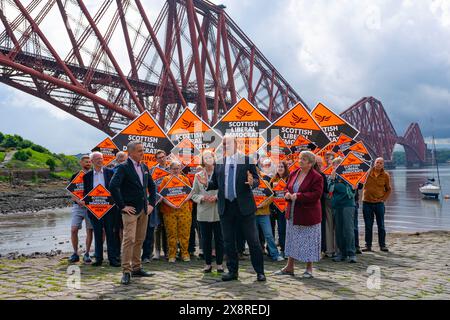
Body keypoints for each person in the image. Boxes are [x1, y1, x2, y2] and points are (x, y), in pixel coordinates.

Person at [197, 135, 266, 282]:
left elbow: (256, 180)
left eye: (227, 143)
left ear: (235, 144)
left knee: (253, 241)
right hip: (226, 207)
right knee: (228, 241)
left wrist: (252, 181)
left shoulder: (247, 159)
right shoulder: (220, 162)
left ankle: (260, 272)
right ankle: (232, 272)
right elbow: (216, 183)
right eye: (222, 143)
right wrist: (206, 183)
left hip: (244, 208)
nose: (224, 145)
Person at [110, 141, 157, 285]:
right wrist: (122, 206)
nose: (142, 153)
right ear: (130, 153)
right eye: (139, 151)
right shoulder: (122, 167)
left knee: (139, 239)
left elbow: (152, 187)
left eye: (142, 150)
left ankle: (137, 268)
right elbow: (113, 186)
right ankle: (126, 271)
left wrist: (151, 204)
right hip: (130, 211)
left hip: (143, 209)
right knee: (129, 240)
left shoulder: (144, 166)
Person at [274, 151, 323, 278]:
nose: (300, 161)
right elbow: (287, 187)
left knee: (309, 240)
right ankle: (289, 267)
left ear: (311, 163)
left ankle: (309, 269)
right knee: (291, 239)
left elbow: (316, 194)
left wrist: (298, 196)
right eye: (300, 158)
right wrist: (286, 194)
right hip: (293, 212)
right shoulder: (294, 173)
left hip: (308, 213)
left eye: (304, 159)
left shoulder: (317, 177)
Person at [82, 152, 121, 267]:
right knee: (98, 234)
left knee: (110, 233)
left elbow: (115, 189)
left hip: (109, 209)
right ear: (92, 161)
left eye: (101, 158)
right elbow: (86, 193)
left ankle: (112, 259)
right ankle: (98, 259)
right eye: (97, 159)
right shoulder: (87, 176)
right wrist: (86, 202)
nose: (100, 160)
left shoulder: (110, 172)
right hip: (94, 209)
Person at [191, 150, 224, 273]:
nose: (208, 159)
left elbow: (225, 190)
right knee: (205, 239)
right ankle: (207, 263)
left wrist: (217, 197)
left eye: (210, 157)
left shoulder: (220, 173)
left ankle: (220, 264)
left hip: (218, 211)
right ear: (202, 161)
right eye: (205, 157)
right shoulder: (198, 175)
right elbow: (194, 194)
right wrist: (202, 198)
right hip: (203, 212)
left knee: (220, 239)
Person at [159, 160, 193, 263]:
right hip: (169, 210)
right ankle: (172, 255)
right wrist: (172, 204)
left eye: (178, 168)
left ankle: (185, 254)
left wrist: (183, 201)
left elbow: (191, 192)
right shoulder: (166, 180)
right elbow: (162, 195)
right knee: (171, 233)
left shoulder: (184, 179)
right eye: (174, 168)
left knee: (185, 233)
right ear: (170, 169)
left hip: (184, 209)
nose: (176, 170)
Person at [362, 157, 392, 252]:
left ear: (383, 165)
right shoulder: (366, 173)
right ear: (374, 163)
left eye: (380, 163)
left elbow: (388, 189)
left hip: (379, 204)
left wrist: (383, 199)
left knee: (381, 225)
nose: (378, 164)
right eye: (377, 162)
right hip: (366, 203)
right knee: (368, 225)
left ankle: (382, 245)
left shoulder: (386, 175)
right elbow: (358, 183)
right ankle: (368, 246)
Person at [329, 163, 357, 263]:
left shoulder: (349, 177)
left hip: (348, 205)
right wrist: (332, 179)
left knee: (348, 229)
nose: (336, 167)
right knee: (339, 230)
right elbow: (329, 190)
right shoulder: (332, 178)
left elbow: (352, 193)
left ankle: (351, 253)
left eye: (338, 165)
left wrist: (353, 188)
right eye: (335, 165)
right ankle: (341, 253)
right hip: (337, 205)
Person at [68, 155, 94, 263]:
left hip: (90, 207)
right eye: (86, 162)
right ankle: (75, 253)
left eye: (89, 162)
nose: (88, 163)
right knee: (74, 229)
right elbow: (71, 191)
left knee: (90, 230)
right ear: (81, 163)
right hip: (77, 206)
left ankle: (87, 253)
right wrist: (78, 201)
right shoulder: (75, 175)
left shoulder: (94, 175)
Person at [151, 149, 169, 260]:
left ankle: (167, 251)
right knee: (157, 226)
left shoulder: (172, 167)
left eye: (163, 156)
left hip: (169, 200)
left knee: (167, 226)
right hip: (157, 201)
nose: (162, 159)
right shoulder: (153, 169)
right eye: (159, 157)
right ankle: (157, 251)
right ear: (156, 159)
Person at [269, 161, 289, 258]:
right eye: (278, 167)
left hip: (285, 208)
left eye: (282, 167)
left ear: (285, 168)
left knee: (283, 229)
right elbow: (269, 192)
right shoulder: (273, 179)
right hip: (275, 208)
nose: (280, 168)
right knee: (276, 229)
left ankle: (285, 249)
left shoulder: (289, 178)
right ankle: (279, 249)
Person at [314, 156, 329, 255]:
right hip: (311, 205)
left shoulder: (322, 175)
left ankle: (321, 248)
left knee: (321, 227)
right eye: (317, 163)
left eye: (320, 164)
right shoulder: (309, 175)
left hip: (320, 205)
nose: (319, 165)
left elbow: (326, 190)